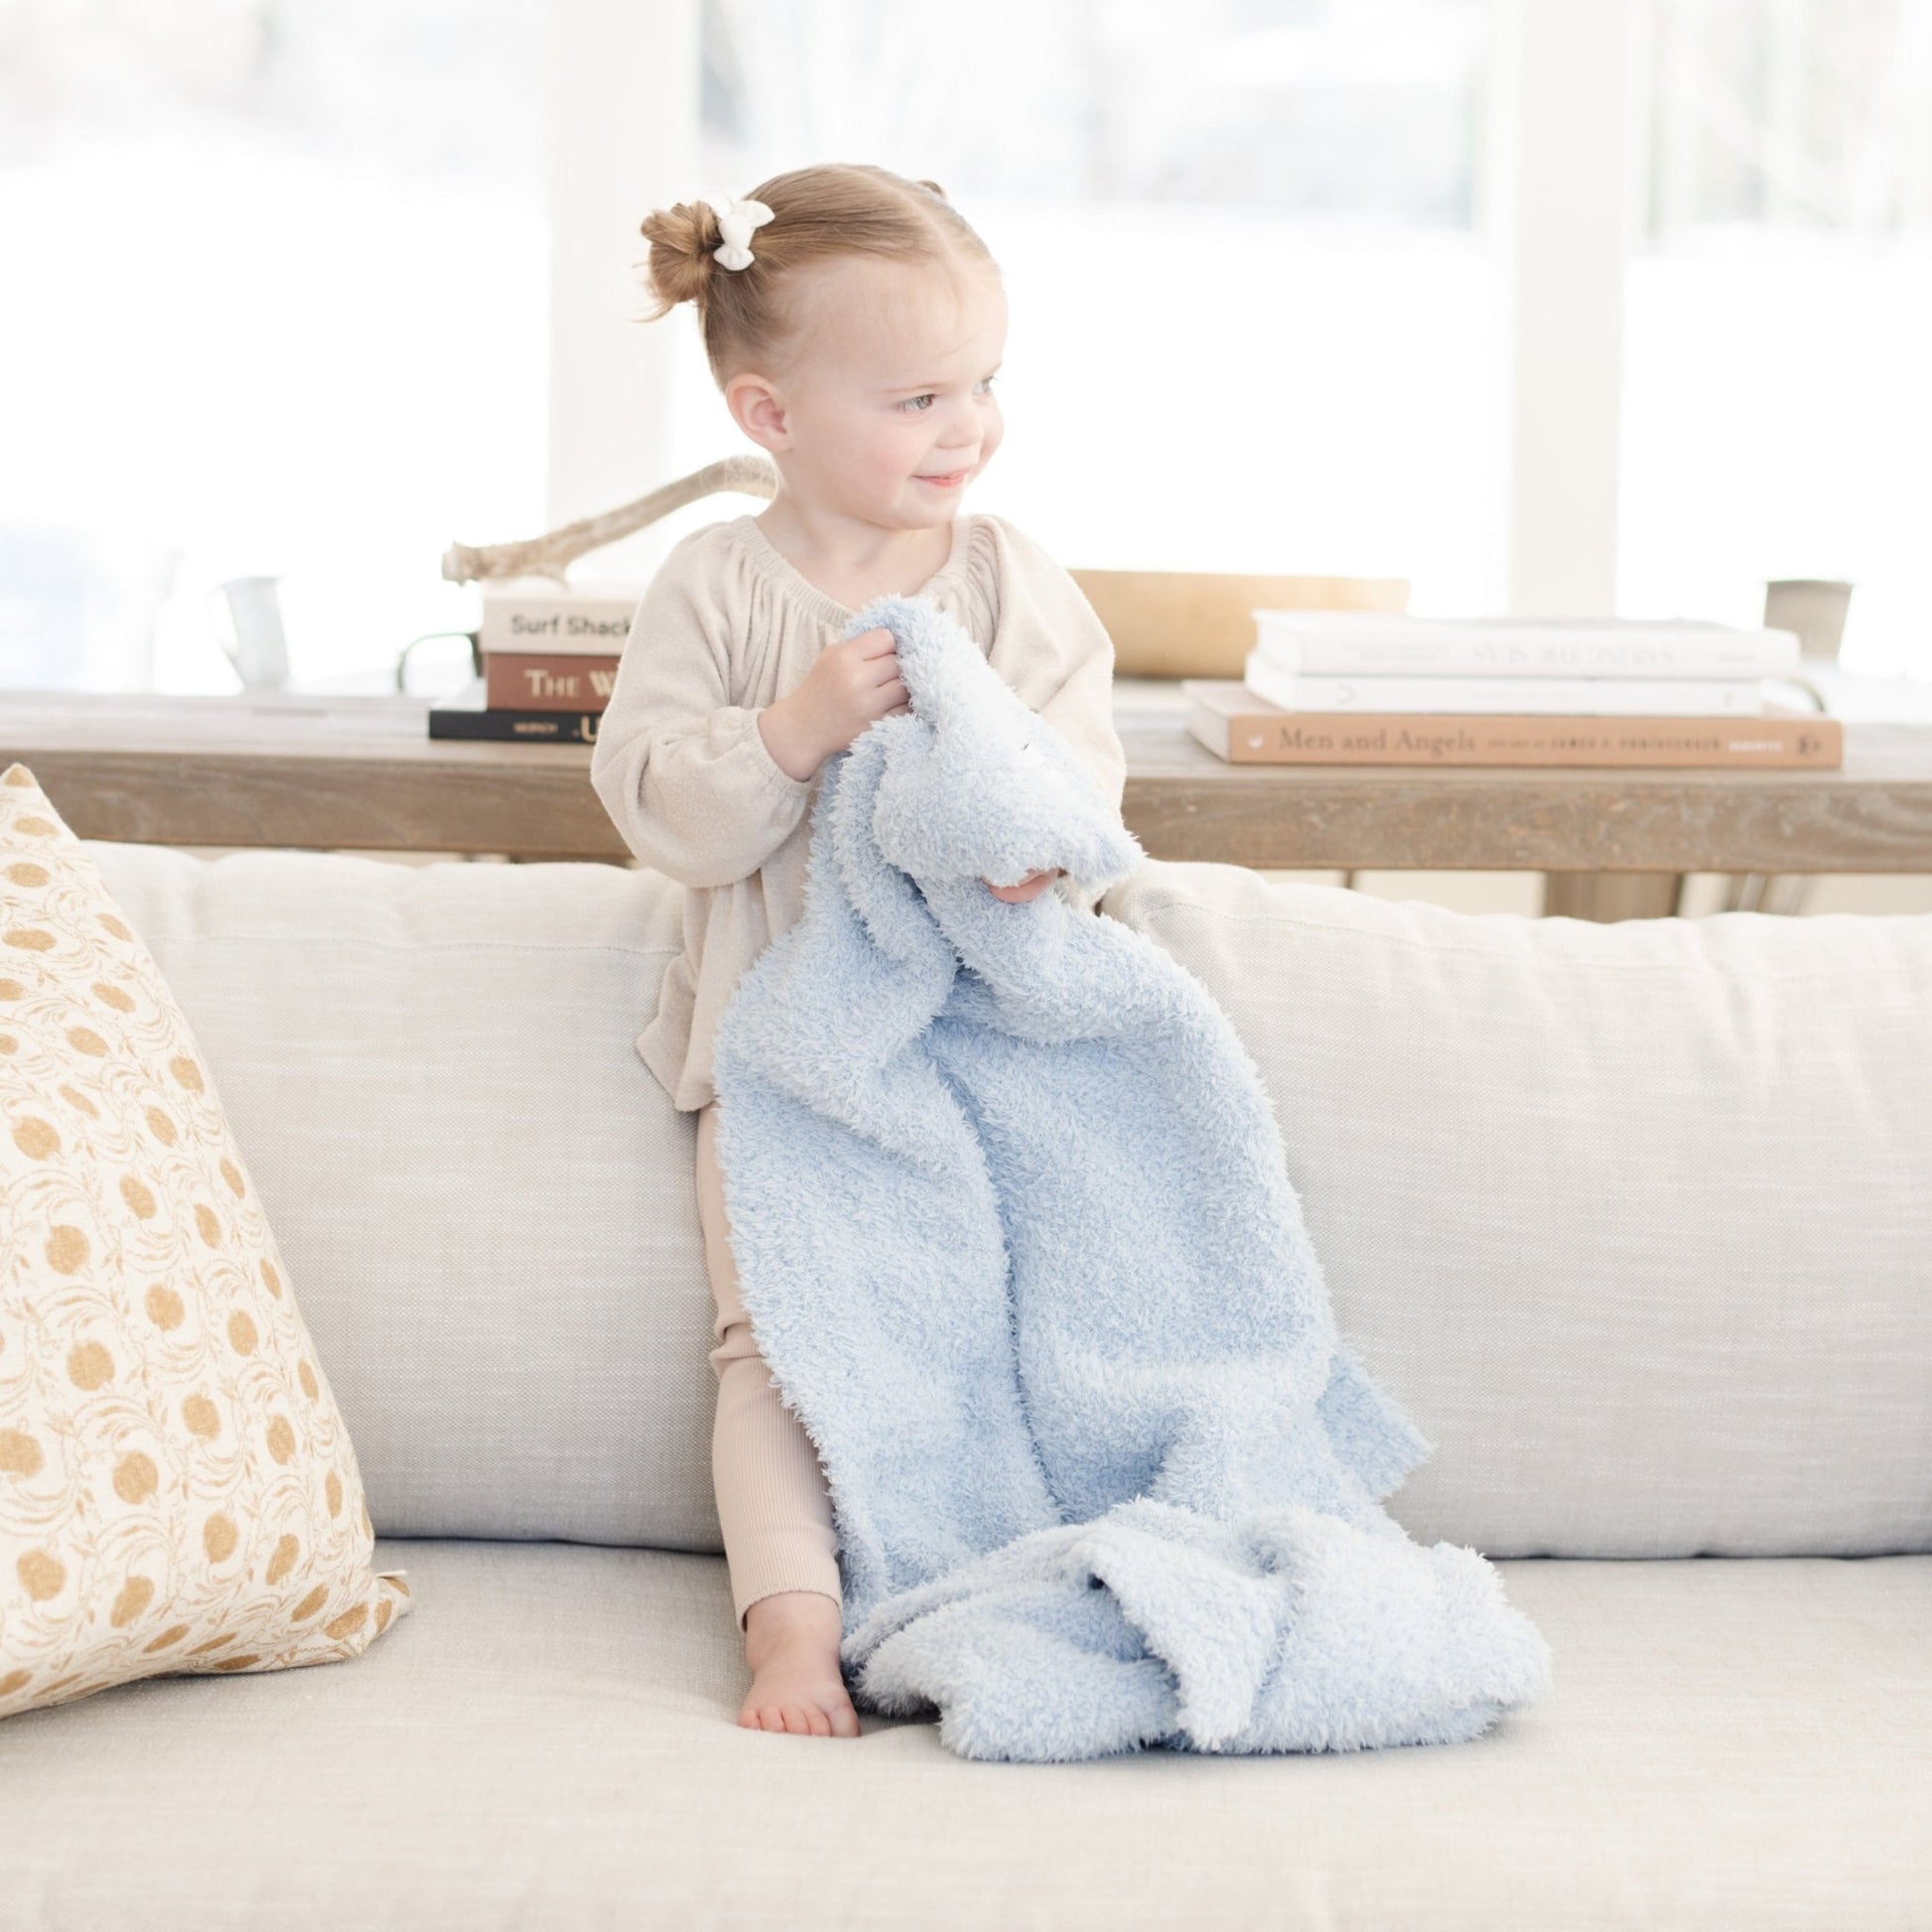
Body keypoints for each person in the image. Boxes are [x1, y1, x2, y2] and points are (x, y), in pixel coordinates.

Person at [589, 163, 1128, 1739]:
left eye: (982, 384)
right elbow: (656, 803)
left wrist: (1036, 845)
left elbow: (1079, 776)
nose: (968, 428)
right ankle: (791, 1633)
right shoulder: (714, 588)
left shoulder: (1008, 581)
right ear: (769, 414)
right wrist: (792, 728)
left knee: (984, 1321)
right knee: (771, 1347)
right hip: (774, 1054)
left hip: (967, 1043)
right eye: (916, 399)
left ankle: (994, 1574)